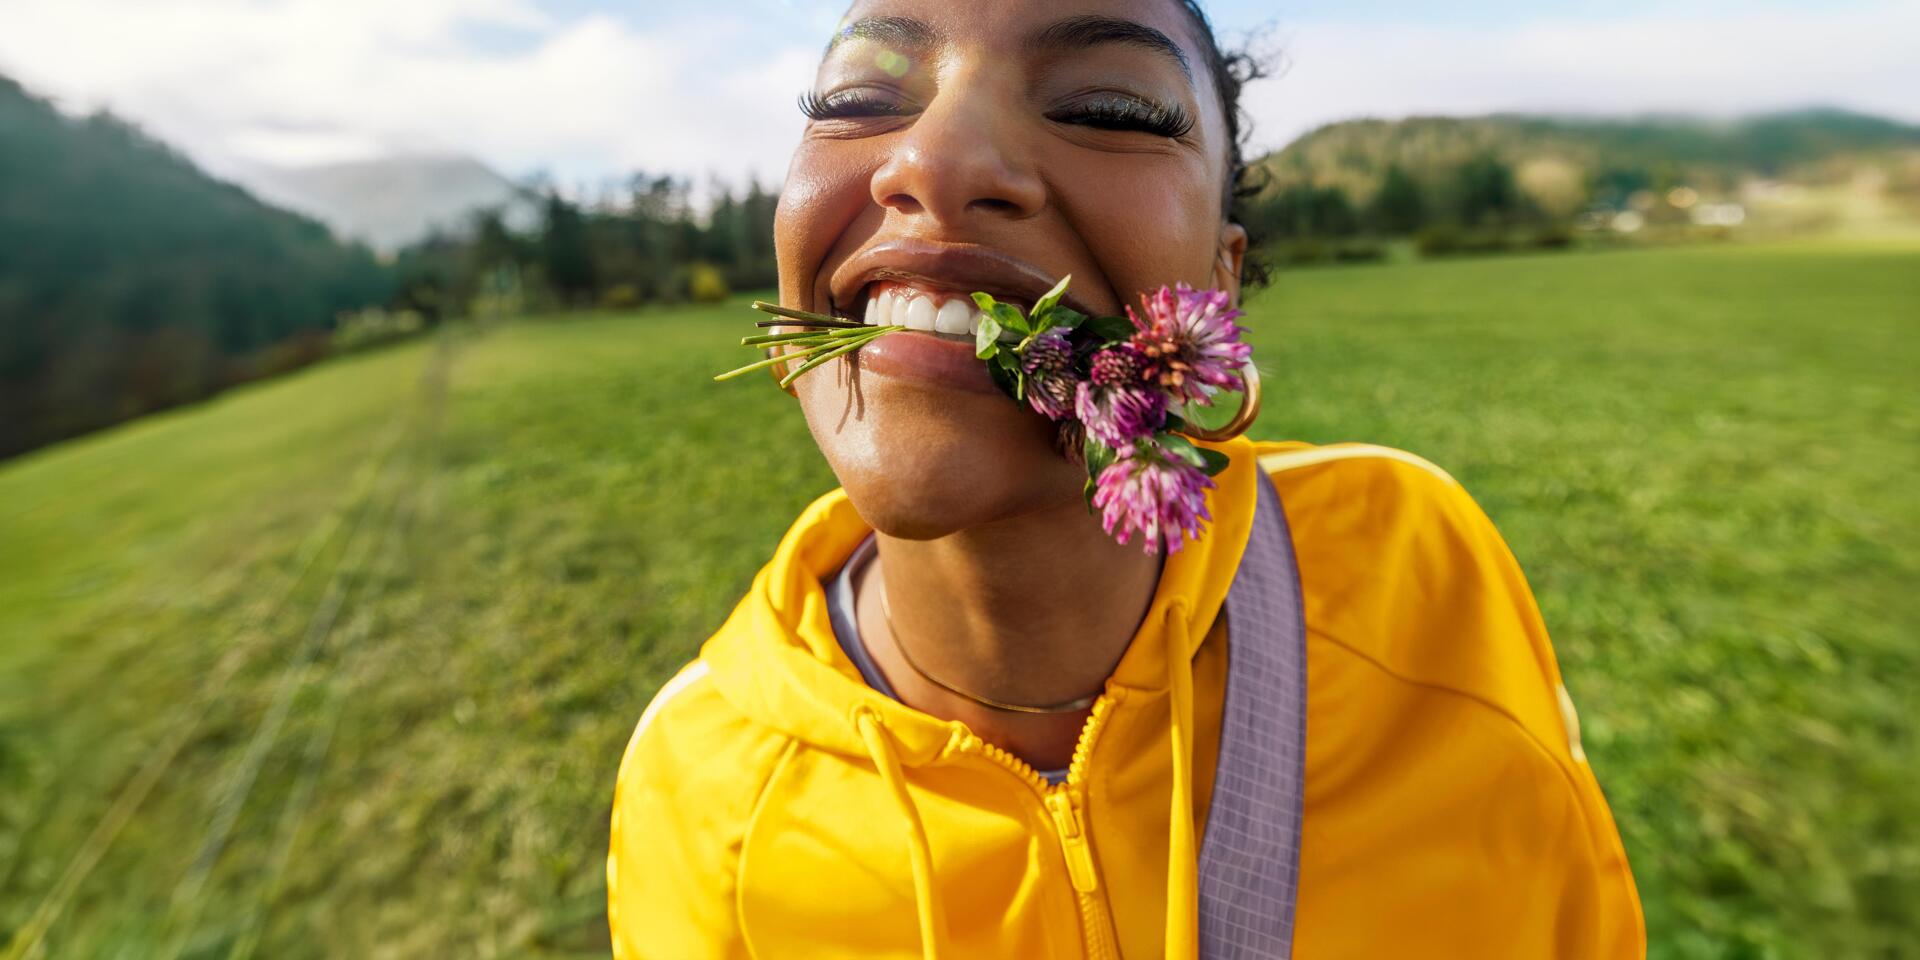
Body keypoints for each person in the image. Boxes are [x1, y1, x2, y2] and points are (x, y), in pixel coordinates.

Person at [608, 1, 1643, 957]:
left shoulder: (1419, 564)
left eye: (1108, 107)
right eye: (858, 101)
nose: (933, 157)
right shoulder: (691, 777)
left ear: (1220, 276)